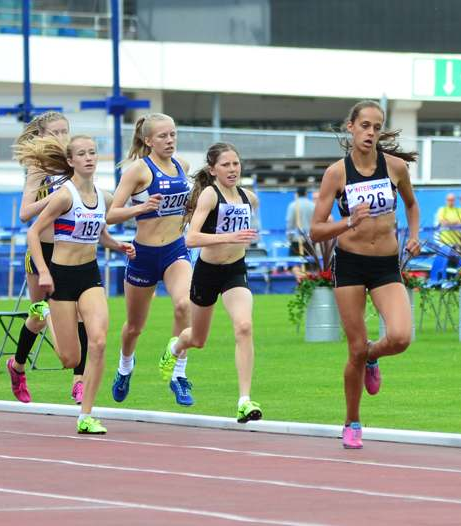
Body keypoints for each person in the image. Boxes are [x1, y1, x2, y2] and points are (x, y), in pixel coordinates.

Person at [310, 100, 421, 449]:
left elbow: (412, 204)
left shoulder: (396, 167)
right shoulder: (337, 174)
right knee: (354, 349)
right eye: (365, 126)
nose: (370, 133)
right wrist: (348, 222)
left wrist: (414, 235)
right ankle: (352, 421)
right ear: (351, 127)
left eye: (376, 127)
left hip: (386, 265)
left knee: (401, 337)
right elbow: (315, 230)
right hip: (351, 265)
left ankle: (376, 355)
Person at [19, 134, 135, 434]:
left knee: (97, 341)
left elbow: (100, 231)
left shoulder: (103, 195)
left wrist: (117, 245)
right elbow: (33, 234)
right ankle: (45, 314)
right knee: (70, 357)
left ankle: (86, 415)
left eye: (93, 153)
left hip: (89, 275)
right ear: (71, 161)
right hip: (61, 277)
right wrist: (43, 272)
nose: (89, 158)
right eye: (82, 154)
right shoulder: (64, 195)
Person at [169, 143, 263, 423]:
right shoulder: (210, 195)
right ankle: (174, 348)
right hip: (207, 272)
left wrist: (244, 239)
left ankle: (244, 401)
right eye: (225, 165)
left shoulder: (250, 198)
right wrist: (229, 237)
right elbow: (191, 238)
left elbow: (247, 233)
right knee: (197, 339)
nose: (232, 169)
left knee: (244, 327)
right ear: (213, 170)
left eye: (236, 164)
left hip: (235, 270)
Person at [106, 113, 195, 407]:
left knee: (184, 305)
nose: (170, 140)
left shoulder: (183, 166)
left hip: (175, 250)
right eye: (163, 136)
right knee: (134, 326)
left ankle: (178, 374)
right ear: (148, 140)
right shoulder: (138, 171)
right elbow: (111, 214)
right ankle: (124, 368)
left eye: (173, 134)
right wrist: (141, 207)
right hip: (143, 255)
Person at [8, 111, 91, 405]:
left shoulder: (74, 162)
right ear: (41, 136)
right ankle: (17, 366)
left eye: (65, 131)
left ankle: (79, 382)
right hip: (42, 252)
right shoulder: (37, 166)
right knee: (39, 315)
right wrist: (59, 195)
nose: (61, 137)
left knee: (82, 314)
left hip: (69, 248)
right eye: (55, 132)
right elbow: (25, 212)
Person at [286, 187, 314, 256]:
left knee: (295, 264)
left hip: (296, 240)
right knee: (310, 264)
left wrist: (289, 238)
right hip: (309, 240)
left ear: (297, 194)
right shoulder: (313, 206)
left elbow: (290, 223)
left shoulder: (292, 206)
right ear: (306, 194)